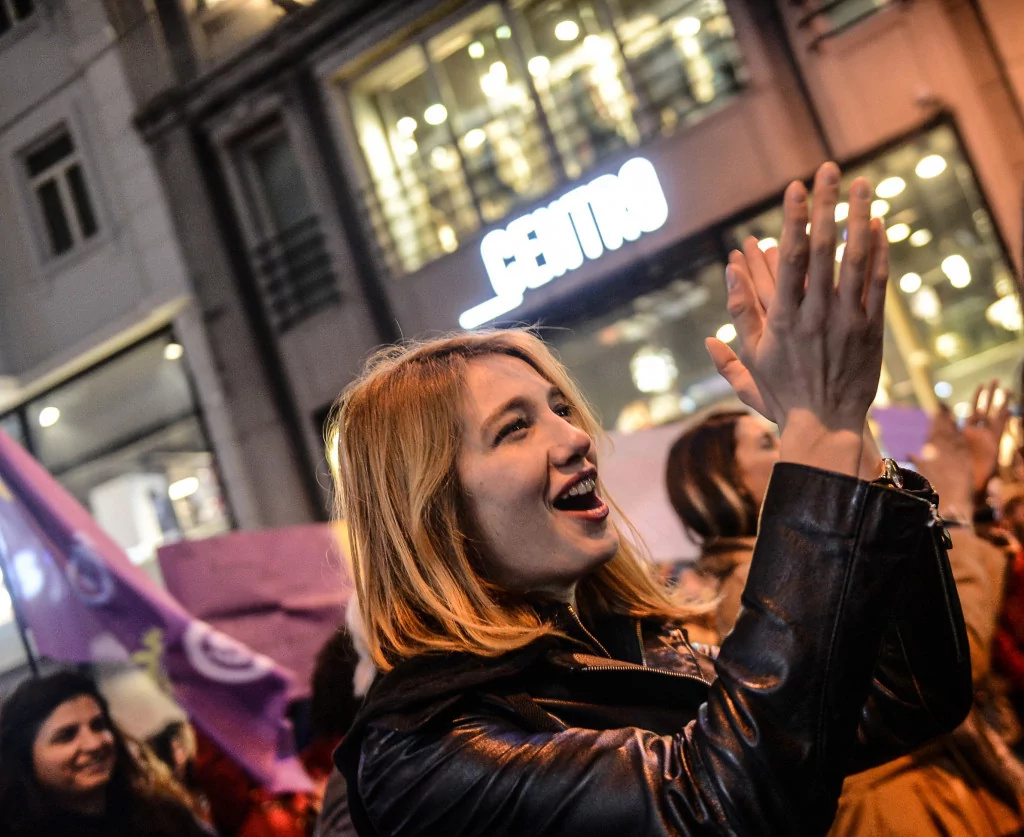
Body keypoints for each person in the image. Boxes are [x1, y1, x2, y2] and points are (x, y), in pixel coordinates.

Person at [328, 162, 973, 836]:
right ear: (435, 512)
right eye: (514, 428)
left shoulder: (639, 645)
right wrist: (812, 434)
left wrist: (846, 432)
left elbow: (907, 694)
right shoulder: (427, 748)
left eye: (559, 408)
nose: (575, 436)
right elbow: (713, 811)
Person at [674, 255, 1024, 833]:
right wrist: (957, 498)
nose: (792, 437)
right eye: (768, 442)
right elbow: (955, 657)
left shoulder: (813, 547)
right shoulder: (753, 585)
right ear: (723, 486)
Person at [0, 670, 211, 837]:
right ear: (25, 758)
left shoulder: (164, 817)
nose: (94, 743)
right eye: (67, 735)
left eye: (98, 725)